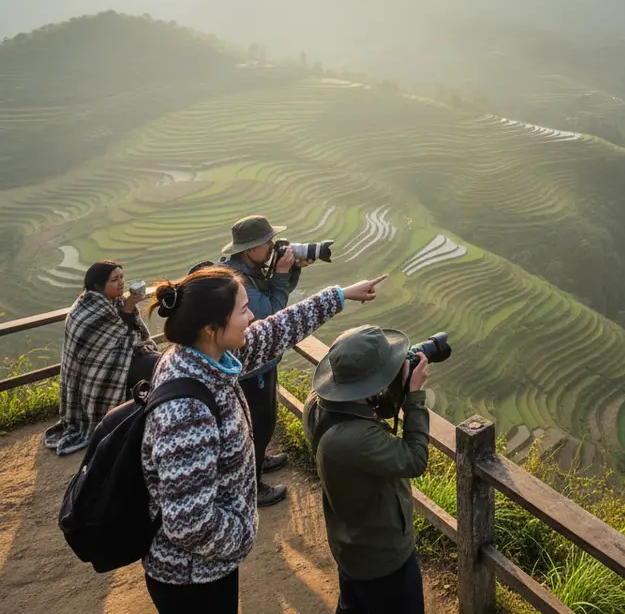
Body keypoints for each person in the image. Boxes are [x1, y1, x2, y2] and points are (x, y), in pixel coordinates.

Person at [140, 265, 387, 614]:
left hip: (206, 566)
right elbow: (188, 523)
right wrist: (241, 533)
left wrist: (341, 295)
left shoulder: (205, 356)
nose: (252, 316)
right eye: (242, 310)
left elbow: (274, 331)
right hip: (191, 578)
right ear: (211, 328)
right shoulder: (187, 412)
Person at [312, 325, 431, 614]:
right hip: (383, 556)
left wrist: (391, 390)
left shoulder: (321, 407)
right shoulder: (354, 438)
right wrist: (413, 396)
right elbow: (415, 458)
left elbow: (365, 409)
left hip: (352, 544)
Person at [219, 215, 311, 506]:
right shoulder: (238, 279)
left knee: (262, 423)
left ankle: (258, 460)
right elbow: (271, 312)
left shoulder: (247, 270)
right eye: (266, 242)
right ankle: (253, 486)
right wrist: (283, 274)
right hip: (252, 368)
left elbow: (273, 295)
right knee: (258, 423)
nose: (272, 246)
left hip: (260, 363)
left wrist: (290, 272)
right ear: (249, 249)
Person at [45, 260, 159, 456]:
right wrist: (128, 311)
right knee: (156, 364)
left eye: (122, 277)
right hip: (100, 373)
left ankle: (146, 413)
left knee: (155, 362)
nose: (121, 283)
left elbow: (129, 333)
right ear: (98, 285)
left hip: (120, 361)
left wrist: (129, 305)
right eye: (114, 279)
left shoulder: (114, 302)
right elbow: (117, 340)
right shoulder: (88, 310)